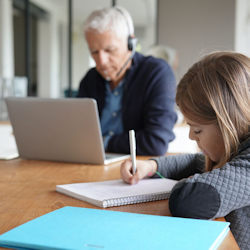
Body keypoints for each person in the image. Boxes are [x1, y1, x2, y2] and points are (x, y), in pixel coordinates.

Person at [120, 51, 250, 249]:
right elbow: (195, 162)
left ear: (228, 122)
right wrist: (151, 166)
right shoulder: (238, 152)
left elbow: (189, 200)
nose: (191, 136)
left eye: (197, 129)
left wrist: (184, 184)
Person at [77, 6, 177, 156]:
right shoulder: (90, 79)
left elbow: (155, 142)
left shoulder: (156, 73)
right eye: (94, 52)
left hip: (135, 166)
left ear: (131, 43)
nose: (101, 61)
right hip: (91, 161)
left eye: (110, 50)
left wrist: (103, 142)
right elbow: (77, 136)